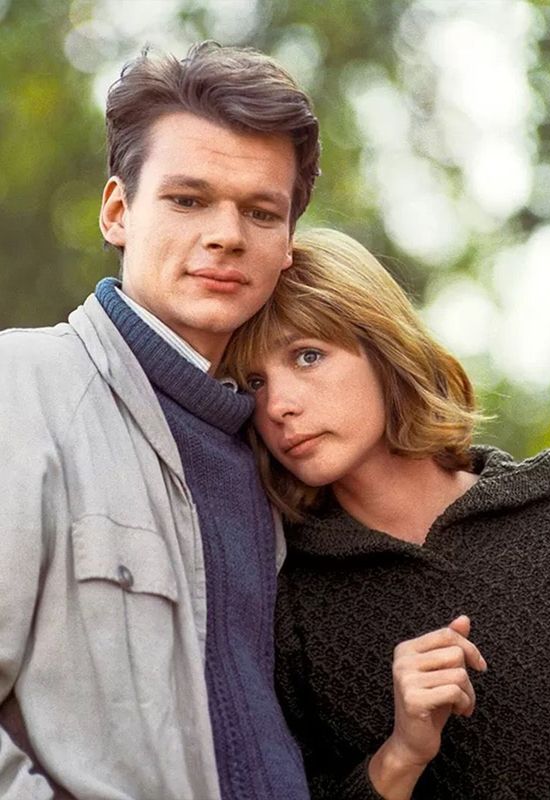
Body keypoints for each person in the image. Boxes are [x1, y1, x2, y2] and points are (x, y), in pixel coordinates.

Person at [0, 41, 319, 800]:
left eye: (261, 212)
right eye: (188, 200)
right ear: (118, 212)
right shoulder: (22, 386)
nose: (227, 234)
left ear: (286, 246)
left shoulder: (278, 454)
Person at [221, 227, 550, 800]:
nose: (278, 406)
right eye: (254, 383)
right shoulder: (283, 603)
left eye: (308, 356)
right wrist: (400, 755)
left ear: (384, 350)